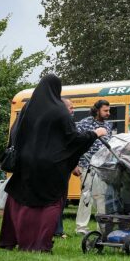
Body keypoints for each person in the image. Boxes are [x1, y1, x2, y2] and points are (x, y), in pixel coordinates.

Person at [0, 74, 107, 252]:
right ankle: (39, 244)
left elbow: (14, 133)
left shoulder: (27, 108)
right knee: (51, 203)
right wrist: (95, 134)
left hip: (25, 164)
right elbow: (72, 139)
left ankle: (10, 240)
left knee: (20, 201)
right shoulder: (59, 110)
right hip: (51, 167)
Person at [74, 99, 113, 235]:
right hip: (87, 165)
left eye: (109, 110)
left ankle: (101, 228)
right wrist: (75, 164)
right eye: (105, 110)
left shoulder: (108, 126)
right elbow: (76, 143)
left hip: (103, 167)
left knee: (102, 197)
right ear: (97, 110)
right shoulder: (85, 123)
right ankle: (81, 228)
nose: (108, 113)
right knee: (86, 196)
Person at [53, 98, 76, 239]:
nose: (73, 111)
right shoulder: (61, 124)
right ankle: (57, 230)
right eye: (70, 108)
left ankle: (57, 229)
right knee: (58, 200)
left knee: (61, 200)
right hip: (59, 167)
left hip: (65, 166)